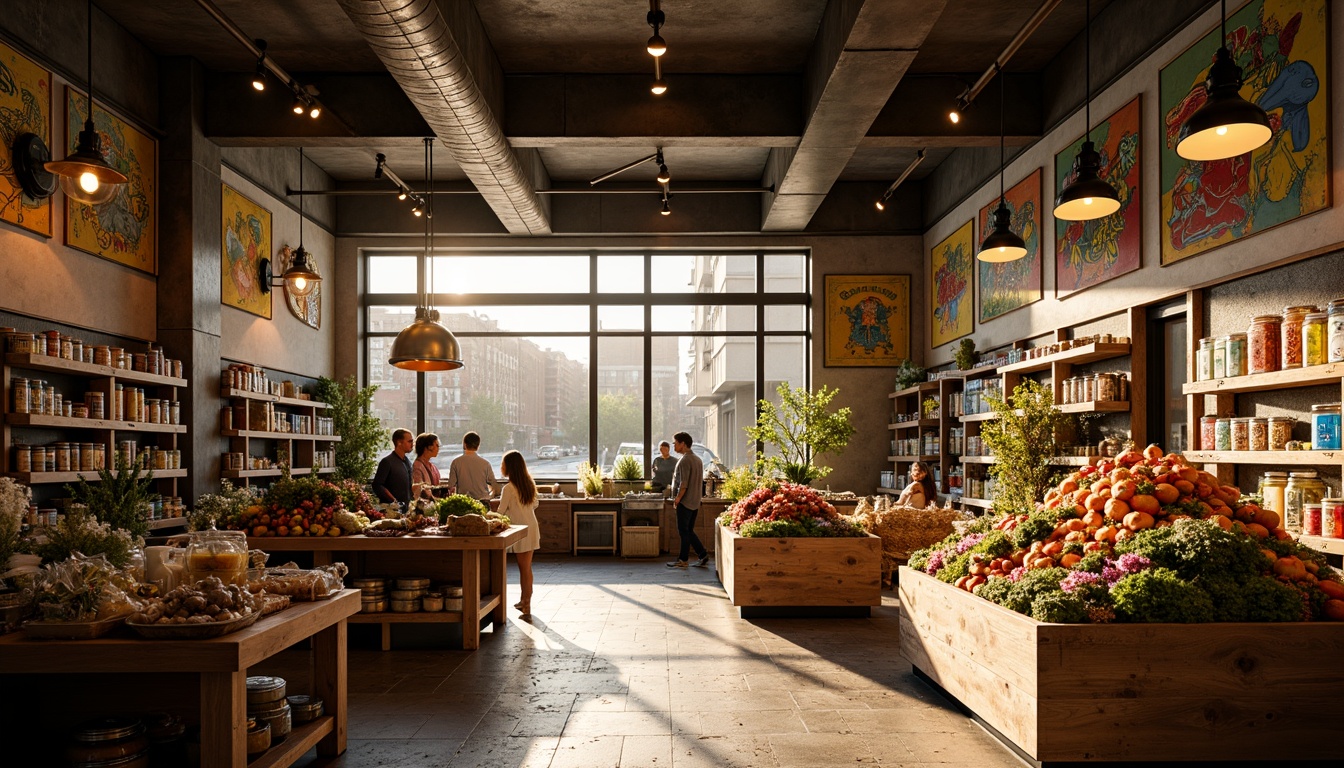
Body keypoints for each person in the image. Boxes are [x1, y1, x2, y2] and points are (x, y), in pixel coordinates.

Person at [499, 450, 540, 616]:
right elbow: (535, 504)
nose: (501, 467)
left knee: (523, 568)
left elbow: (501, 511)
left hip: (520, 530)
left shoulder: (508, 488)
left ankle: (526, 602)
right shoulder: (529, 483)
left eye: (503, 463)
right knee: (527, 568)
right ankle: (525, 601)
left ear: (509, 467)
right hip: (532, 526)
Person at [667, 431, 709, 568]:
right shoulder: (697, 459)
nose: (673, 446)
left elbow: (684, 484)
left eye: (675, 443)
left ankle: (683, 560)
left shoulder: (685, 460)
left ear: (683, 444)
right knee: (688, 531)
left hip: (685, 502)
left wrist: (677, 499)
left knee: (684, 531)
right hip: (695, 502)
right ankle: (702, 554)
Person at [447, 431, 497, 502]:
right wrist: (490, 496)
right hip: (482, 501)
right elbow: (494, 484)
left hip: (464, 502)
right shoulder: (485, 464)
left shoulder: (456, 462)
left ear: (464, 444)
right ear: (478, 446)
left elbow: (451, 485)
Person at [372, 428, 414, 508]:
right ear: (399, 443)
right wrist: (394, 501)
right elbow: (377, 485)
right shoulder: (387, 462)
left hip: (406, 508)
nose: (412, 444)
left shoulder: (407, 462)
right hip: (391, 510)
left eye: (412, 441)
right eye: (409, 441)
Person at [411, 433, 441, 500]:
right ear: (428, 447)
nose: (438, 448)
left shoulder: (433, 467)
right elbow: (419, 490)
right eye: (436, 445)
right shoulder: (417, 466)